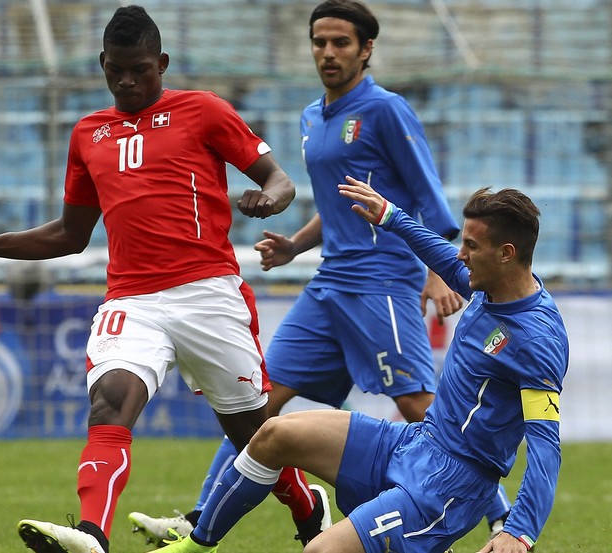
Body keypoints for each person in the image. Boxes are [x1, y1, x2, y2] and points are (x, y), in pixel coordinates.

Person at [0, 5, 327, 553]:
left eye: (139, 69)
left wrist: (270, 199)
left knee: (253, 436)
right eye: (116, 69)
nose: (126, 80)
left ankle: (308, 505)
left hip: (208, 293)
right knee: (109, 401)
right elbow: (72, 234)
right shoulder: (88, 134)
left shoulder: (203, 111)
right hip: (133, 299)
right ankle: (92, 535)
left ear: (162, 63)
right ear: (102, 63)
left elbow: (280, 179)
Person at [128, 0, 511, 545]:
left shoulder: (386, 110)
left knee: (419, 406)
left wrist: (439, 271)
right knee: (257, 405)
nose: (327, 53)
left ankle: (503, 518)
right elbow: (339, 202)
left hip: (381, 280)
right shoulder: (313, 116)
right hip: (330, 283)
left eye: (341, 43)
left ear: (366, 49)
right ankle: (198, 520)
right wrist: (296, 245)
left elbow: (426, 195)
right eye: (319, 42)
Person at [151, 178, 569, 553]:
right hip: (414, 443)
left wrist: (520, 531)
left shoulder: (536, 339)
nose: (461, 256)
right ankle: (196, 545)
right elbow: (443, 256)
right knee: (273, 434)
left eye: (472, 247)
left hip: (450, 485)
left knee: (321, 552)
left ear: (506, 254)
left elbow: (545, 447)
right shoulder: (490, 286)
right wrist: (391, 217)